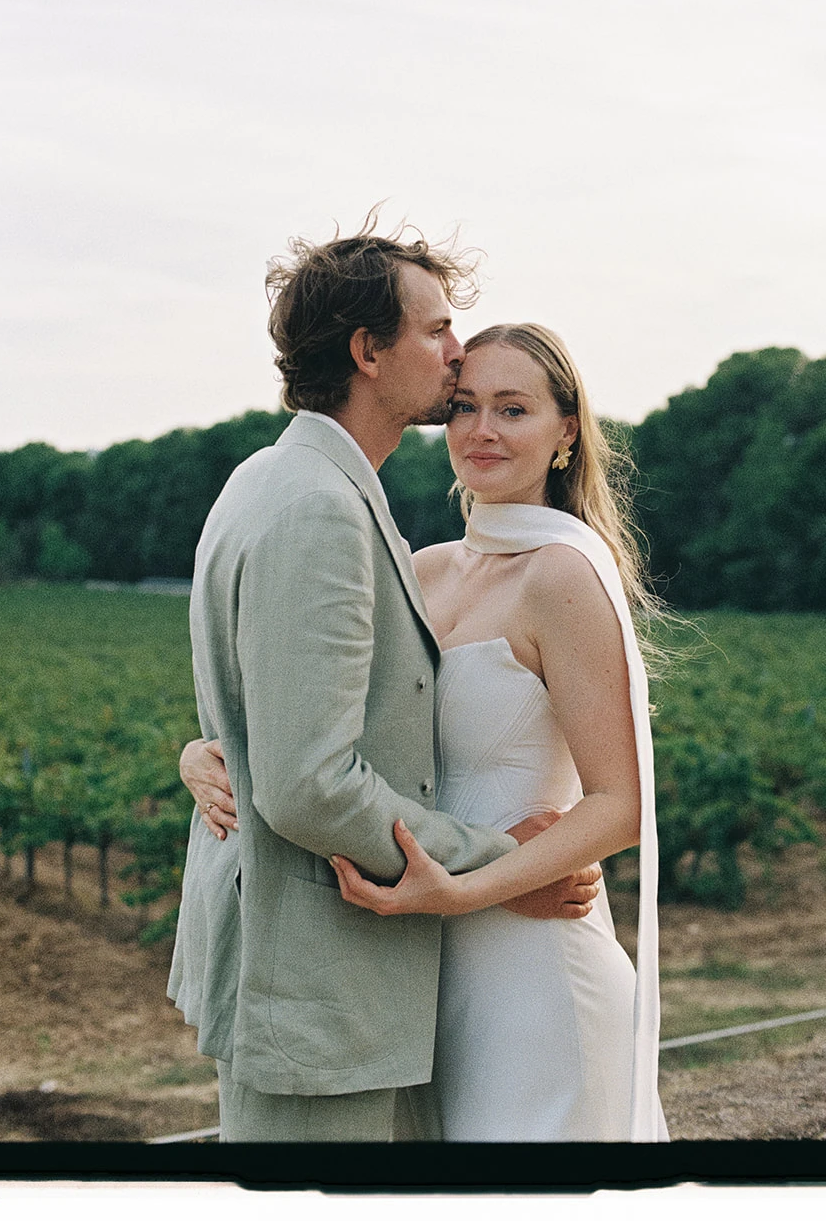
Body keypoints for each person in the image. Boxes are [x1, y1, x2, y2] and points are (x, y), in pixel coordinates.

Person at [167, 224, 603, 1144]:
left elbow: (276, 721)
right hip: (319, 980)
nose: (454, 356)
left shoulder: (268, 477)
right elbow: (308, 782)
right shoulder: (321, 509)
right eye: (438, 331)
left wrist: (213, 754)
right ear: (369, 351)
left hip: (366, 979)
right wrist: (498, 867)